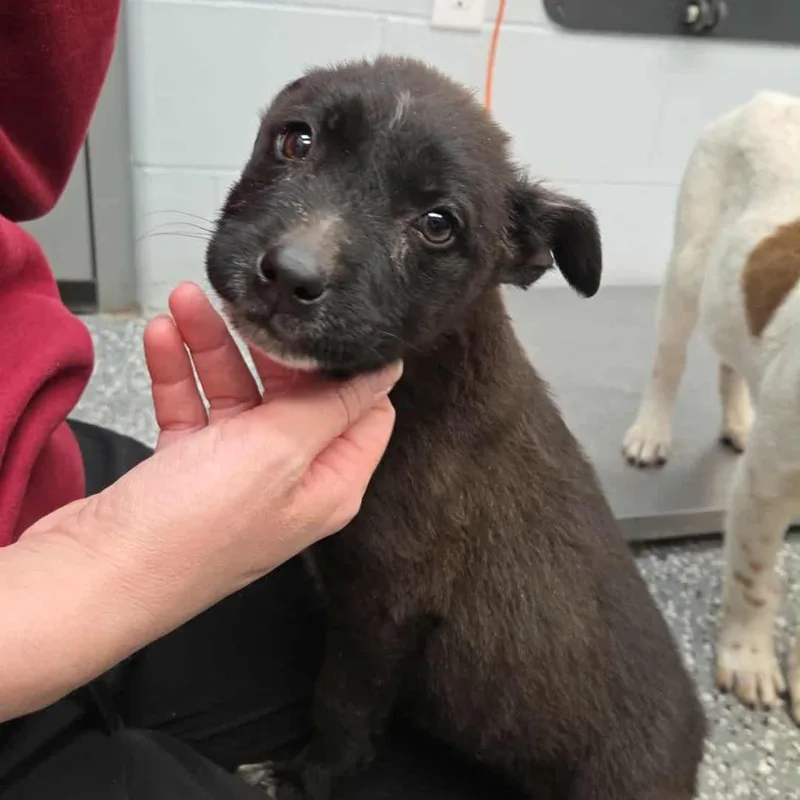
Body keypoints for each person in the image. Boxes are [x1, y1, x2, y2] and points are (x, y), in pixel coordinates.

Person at [0, 3, 516, 798]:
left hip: (36, 468)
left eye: (435, 223)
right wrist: (99, 576)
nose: (300, 254)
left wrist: (99, 556)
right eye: (299, 141)